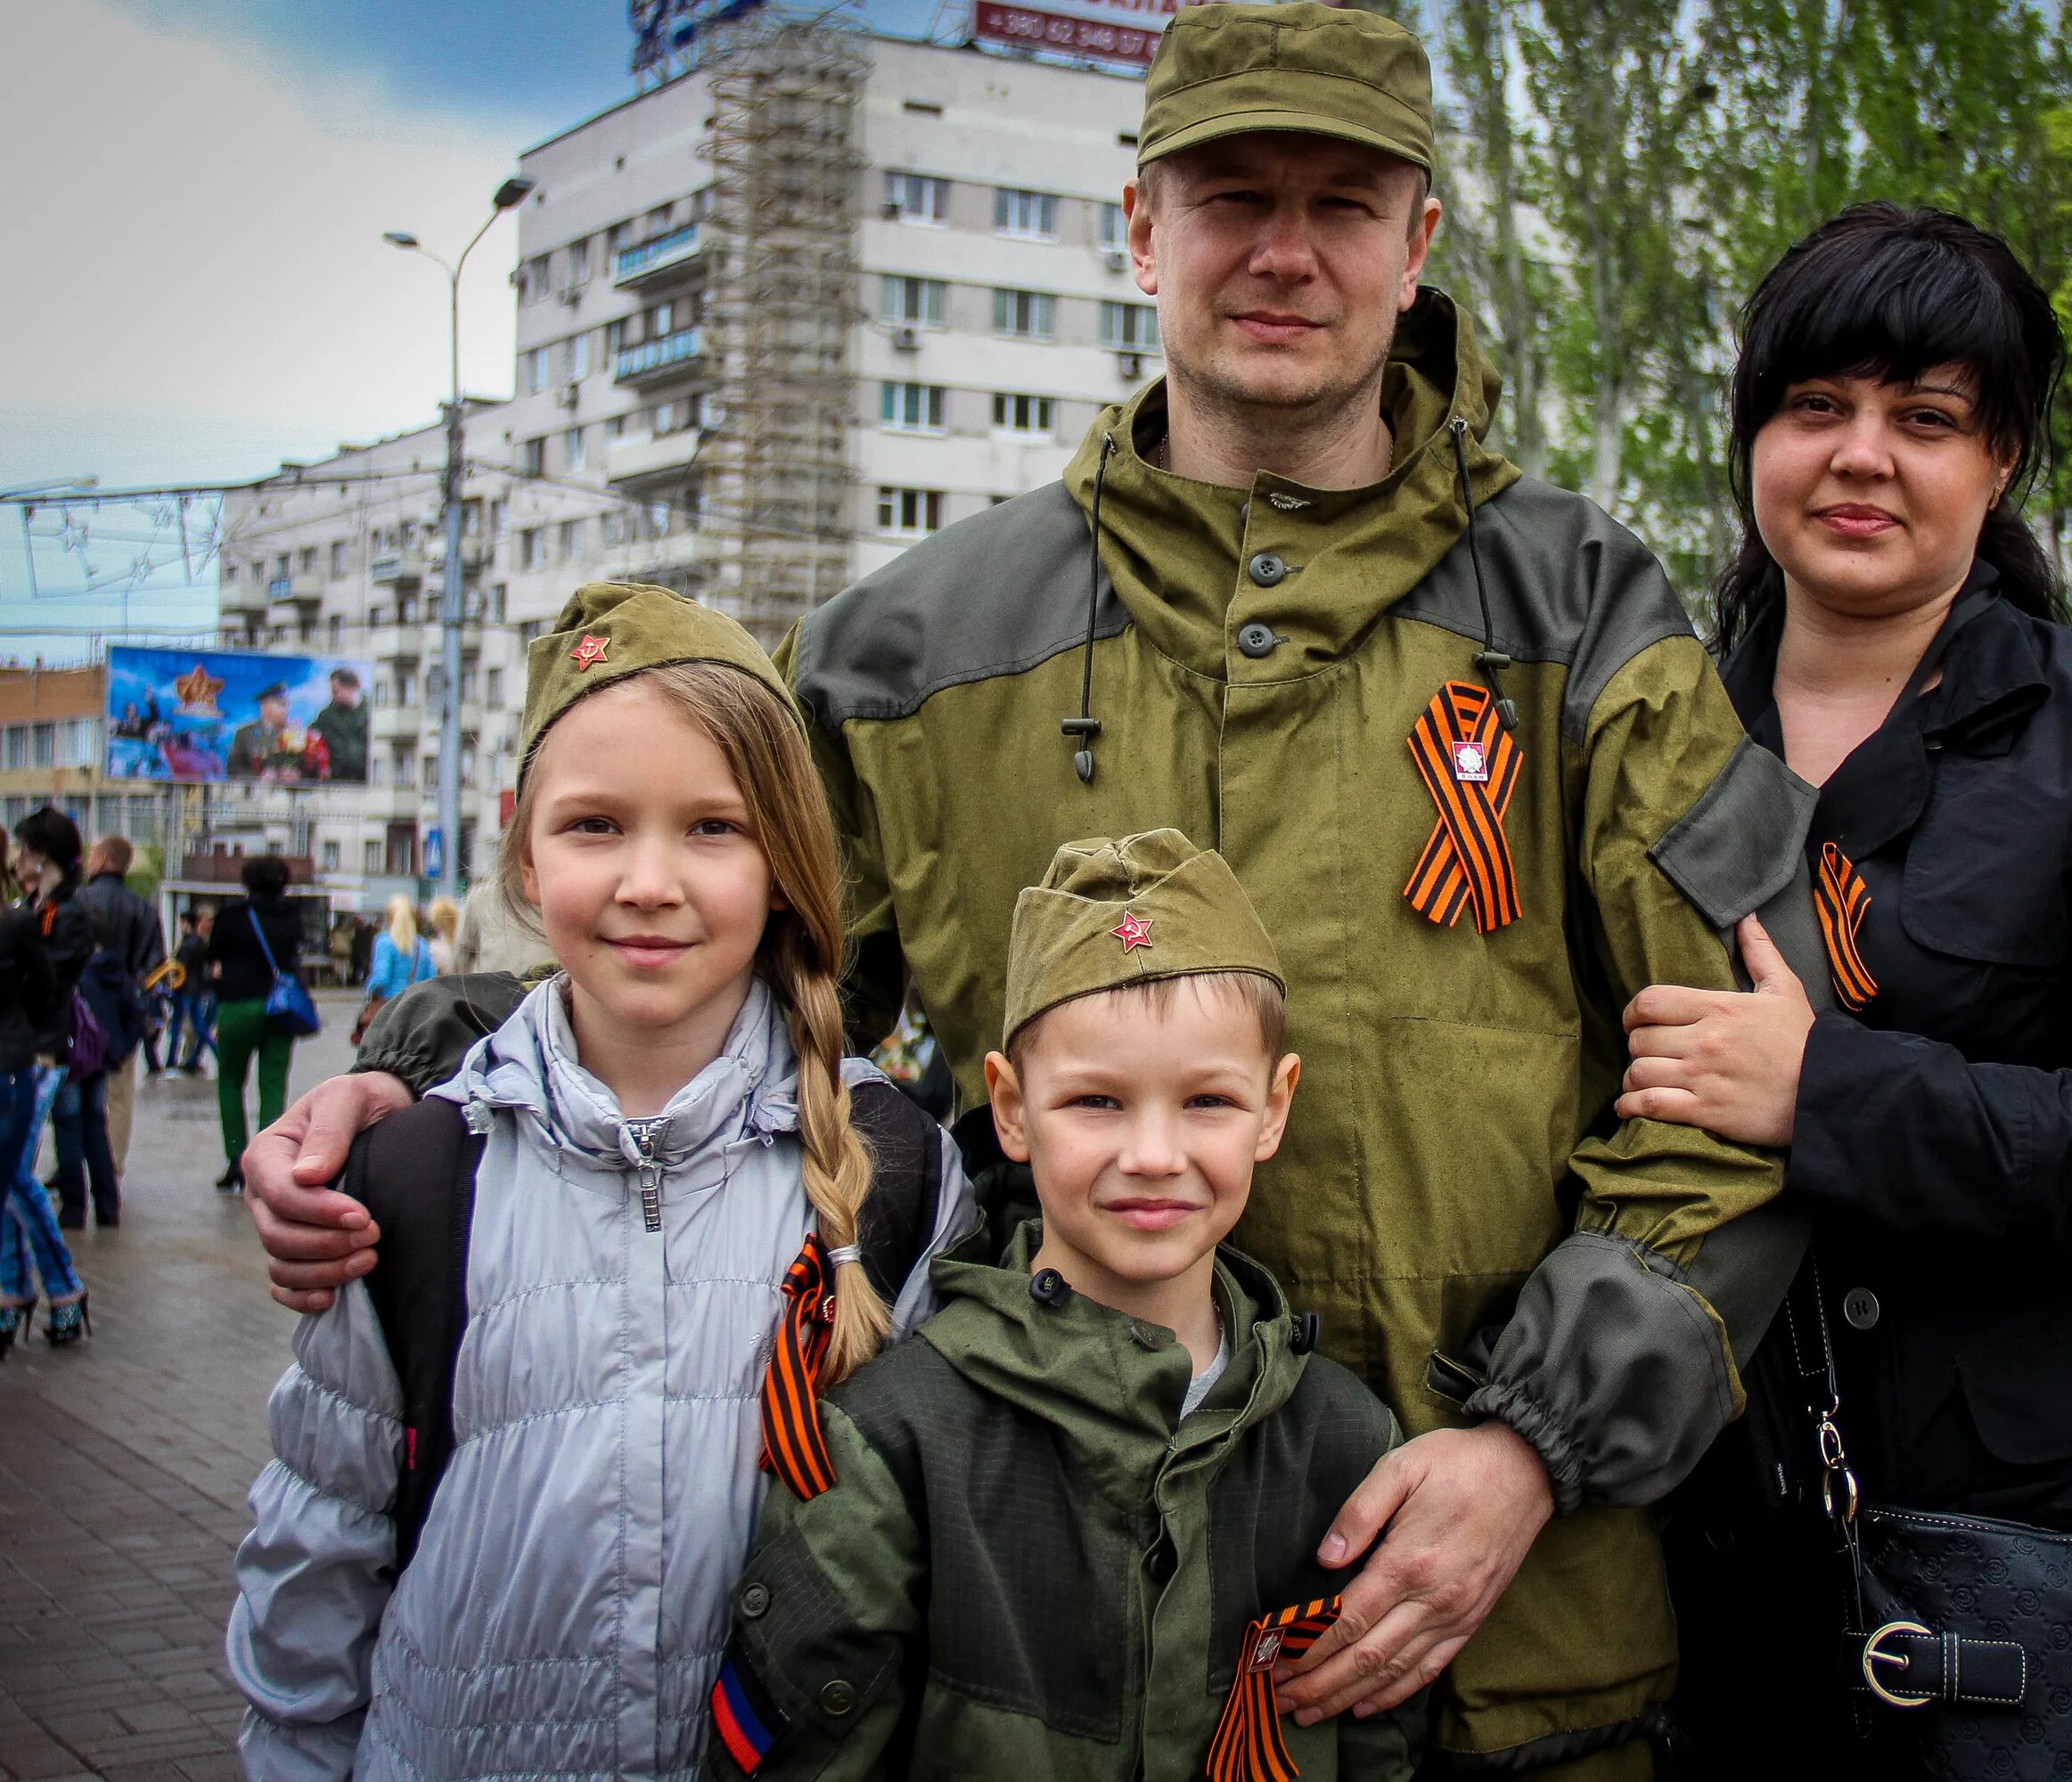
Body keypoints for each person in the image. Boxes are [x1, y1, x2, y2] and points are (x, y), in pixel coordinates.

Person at [241, 7, 1800, 1770]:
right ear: (1141, 226)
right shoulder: (914, 650)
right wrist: (423, 1060)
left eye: (1344, 201)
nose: (1286, 251)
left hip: (1505, 1646)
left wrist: (1536, 1447)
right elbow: (690, 938)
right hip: (1047, 1653)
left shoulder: (1584, 617)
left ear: (1420, 240)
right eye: (1233, 196)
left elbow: (1738, 1086)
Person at [1611, 204, 2072, 1773]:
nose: (1862, 454)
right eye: (1817, 408)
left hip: (2050, 1552)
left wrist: (1827, 1095)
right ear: (1754, 442)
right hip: (1720, 1540)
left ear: (1998, 466)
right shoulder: (1652, 748)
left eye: (1925, 419)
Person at [226, 587, 971, 1781]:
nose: (649, 881)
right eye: (595, 827)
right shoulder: (419, 1176)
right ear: (524, 844)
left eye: (713, 829)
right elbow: (319, 1551)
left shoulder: (894, 1173)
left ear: (788, 855)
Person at [711, 830, 1414, 1780]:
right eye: (1096, 1101)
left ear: (1274, 1107)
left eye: (1207, 1099)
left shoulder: (1343, 1442)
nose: (1155, 1153)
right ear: (1010, 1106)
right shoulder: (894, 1447)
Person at [16, 810, 118, 1233]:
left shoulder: (66, 911)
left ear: (42, 855)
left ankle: (76, 1213)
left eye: (24, 850)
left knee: (68, 1127)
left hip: (54, 1043)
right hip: (46, 1039)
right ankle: (89, 1209)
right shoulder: (42, 905)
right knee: (77, 1124)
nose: (17, 858)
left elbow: (50, 980)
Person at [0, 847, 78, 1358]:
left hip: (10, 1068)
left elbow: (50, 989)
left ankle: (54, 1288)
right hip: (15, 1061)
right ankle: (19, 1291)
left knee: (11, 1182)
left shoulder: (17, 924)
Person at [209, 857, 307, 1193]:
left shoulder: (232, 916)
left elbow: (214, 957)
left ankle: (236, 1159)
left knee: (230, 1082)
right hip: (280, 1009)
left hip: (238, 1006)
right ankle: (268, 1162)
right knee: (273, 1085)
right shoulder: (292, 917)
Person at [73, 834, 164, 1183]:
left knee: (74, 1090)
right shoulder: (143, 908)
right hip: (123, 1011)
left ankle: (74, 1164)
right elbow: (155, 965)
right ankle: (113, 1165)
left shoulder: (78, 901)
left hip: (80, 1009)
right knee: (121, 1093)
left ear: (103, 859)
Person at [350, 895, 433, 1047]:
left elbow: (381, 977)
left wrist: (369, 990)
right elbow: (431, 977)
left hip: (388, 1009)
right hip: (415, 1008)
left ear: (390, 917)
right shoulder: (422, 944)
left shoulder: (384, 941)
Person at [165, 910, 217, 1076]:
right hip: (196, 990)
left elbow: (181, 968)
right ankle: (215, 1055)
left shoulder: (189, 944)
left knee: (177, 1026)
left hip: (185, 990)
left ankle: (170, 1061)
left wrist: (173, 985)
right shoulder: (199, 943)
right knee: (199, 1026)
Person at [226, 684, 307, 781]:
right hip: (256, 794)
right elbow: (233, 771)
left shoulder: (294, 734)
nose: (286, 710)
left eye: (287, 705)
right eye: (281, 704)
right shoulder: (245, 734)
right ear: (265, 707)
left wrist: (298, 775)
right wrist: (258, 778)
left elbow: (311, 770)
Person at [309, 667, 369, 782]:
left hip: (364, 779)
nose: (333, 695)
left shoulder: (372, 713)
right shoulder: (326, 717)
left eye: (336, 691)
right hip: (337, 779)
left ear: (352, 687)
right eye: (332, 691)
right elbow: (311, 735)